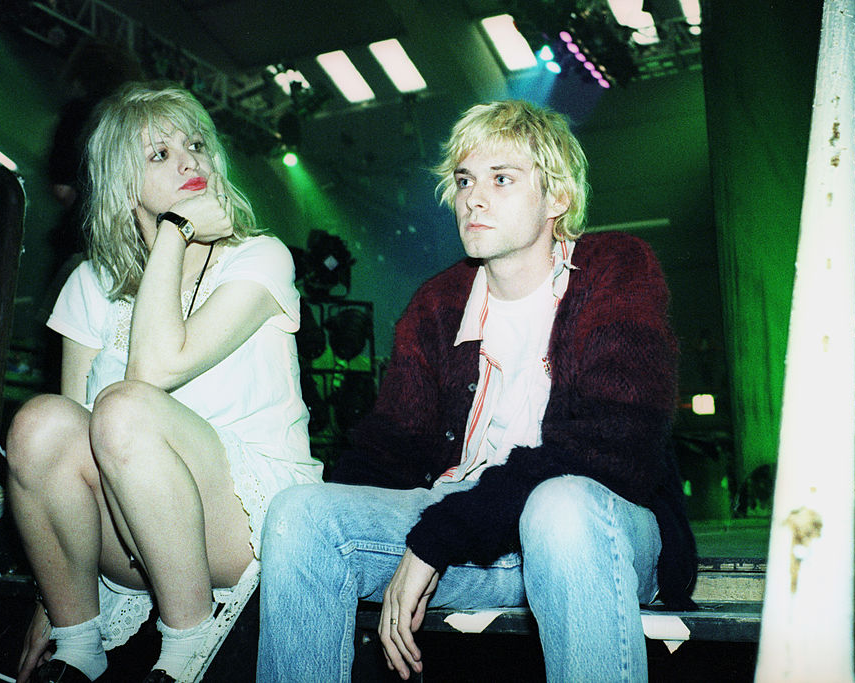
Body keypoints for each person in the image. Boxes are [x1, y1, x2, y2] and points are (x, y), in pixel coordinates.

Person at [257, 99, 697, 682]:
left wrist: (439, 536)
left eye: (502, 179)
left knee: (560, 506)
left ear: (557, 197)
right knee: (302, 513)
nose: (474, 199)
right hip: (466, 531)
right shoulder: (438, 303)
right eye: (465, 181)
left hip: (591, 531)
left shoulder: (616, 270)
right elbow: (386, 451)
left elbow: (612, 449)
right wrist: (367, 523)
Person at [5, 82, 322, 683]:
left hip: (249, 523)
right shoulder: (92, 283)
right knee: (38, 422)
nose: (187, 161)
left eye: (196, 145)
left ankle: (186, 646)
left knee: (125, 407)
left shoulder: (260, 257)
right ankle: (78, 645)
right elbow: (63, 456)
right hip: (128, 533)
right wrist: (52, 592)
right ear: (124, 186)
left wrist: (174, 230)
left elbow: (155, 371)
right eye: (160, 154)